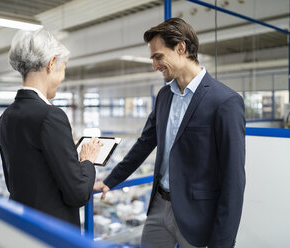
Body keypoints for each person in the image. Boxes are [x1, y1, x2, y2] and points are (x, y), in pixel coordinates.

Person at [94, 18, 246, 248]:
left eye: (158, 57)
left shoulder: (225, 101)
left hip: (198, 216)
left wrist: (223, 242)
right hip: (159, 206)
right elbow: (144, 144)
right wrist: (110, 180)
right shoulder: (164, 97)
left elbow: (233, 179)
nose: (155, 66)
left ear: (181, 48)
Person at [0, 28, 102, 227]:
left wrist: (65, 151)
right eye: (63, 69)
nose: (62, 78)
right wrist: (87, 160)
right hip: (52, 231)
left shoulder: (6, 117)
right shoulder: (50, 116)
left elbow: (20, 179)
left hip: (22, 226)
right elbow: (78, 193)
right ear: (51, 63)